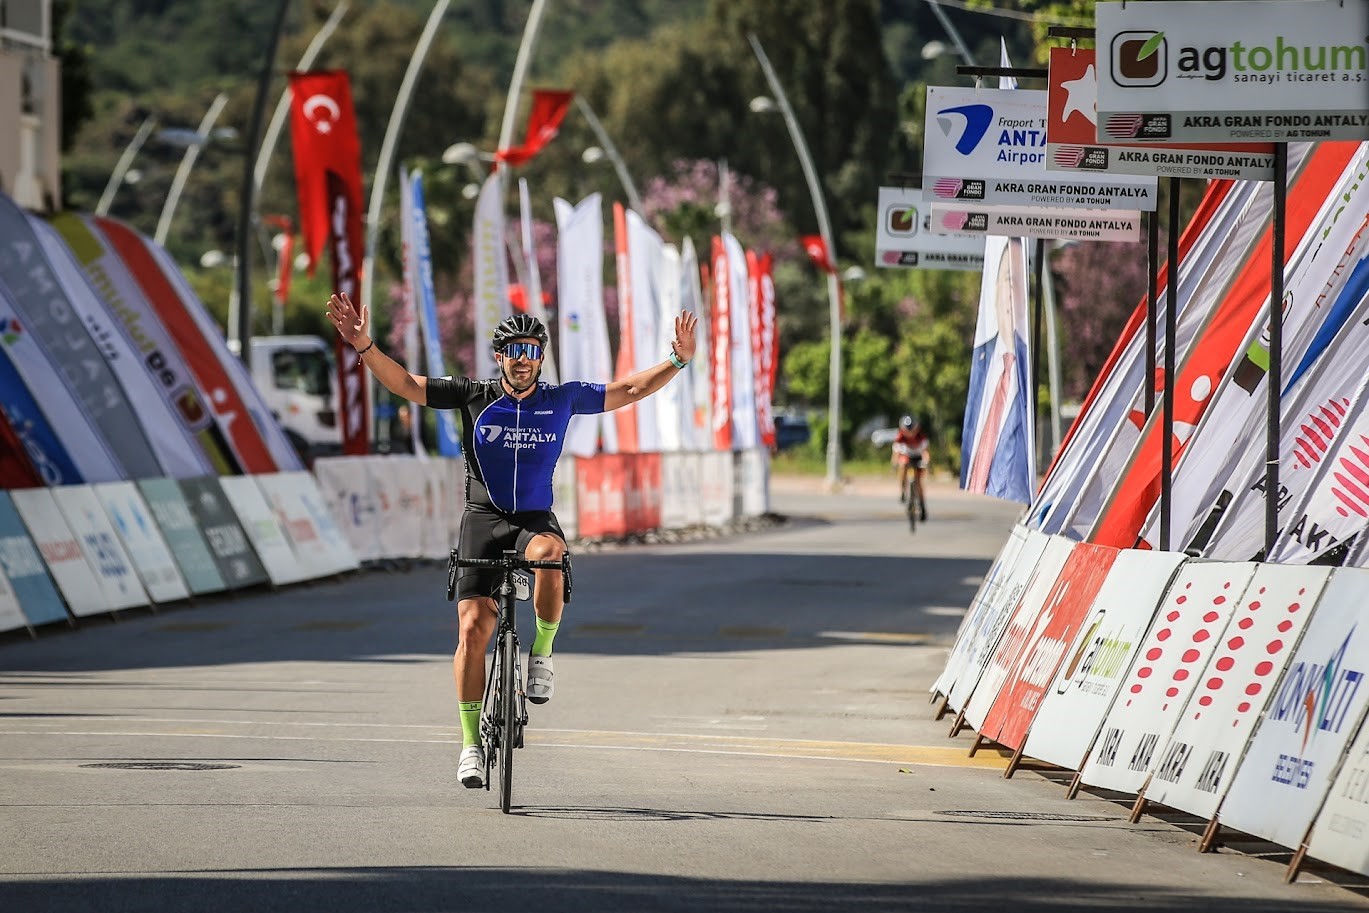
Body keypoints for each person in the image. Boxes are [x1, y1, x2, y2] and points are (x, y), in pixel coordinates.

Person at [326, 292, 696, 789]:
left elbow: (628, 389)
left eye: (532, 349)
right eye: (513, 350)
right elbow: (407, 384)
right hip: (482, 518)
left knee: (551, 556)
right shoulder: (472, 395)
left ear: (541, 356)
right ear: (499, 357)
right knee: (474, 629)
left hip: (533, 519)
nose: (523, 358)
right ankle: (469, 745)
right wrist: (364, 345)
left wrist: (677, 360)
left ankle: (541, 654)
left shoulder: (561, 399)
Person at [893, 415, 929, 521]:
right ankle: (903, 490)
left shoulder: (920, 436)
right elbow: (896, 453)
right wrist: (895, 464)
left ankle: (922, 506)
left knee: (918, 483)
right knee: (903, 465)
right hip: (906, 457)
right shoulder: (900, 437)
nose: (909, 433)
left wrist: (926, 462)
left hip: (917, 458)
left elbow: (925, 452)